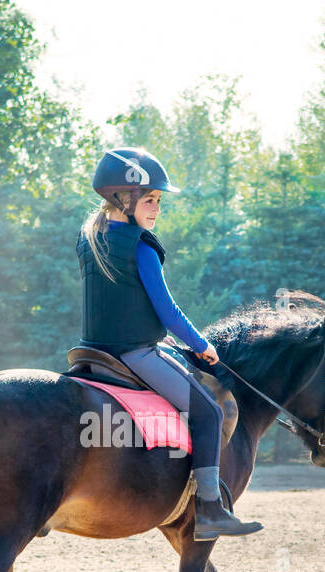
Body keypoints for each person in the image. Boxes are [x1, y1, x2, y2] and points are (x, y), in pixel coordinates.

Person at [76, 146, 262, 541]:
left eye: (158, 200)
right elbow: (168, 311)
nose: (157, 208)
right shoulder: (142, 246)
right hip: (134, 353)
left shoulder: (89, 240)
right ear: (123, 199)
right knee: (210, 413)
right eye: (150, 199)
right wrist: (200, 345)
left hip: (90, 351)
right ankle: (210, 508)